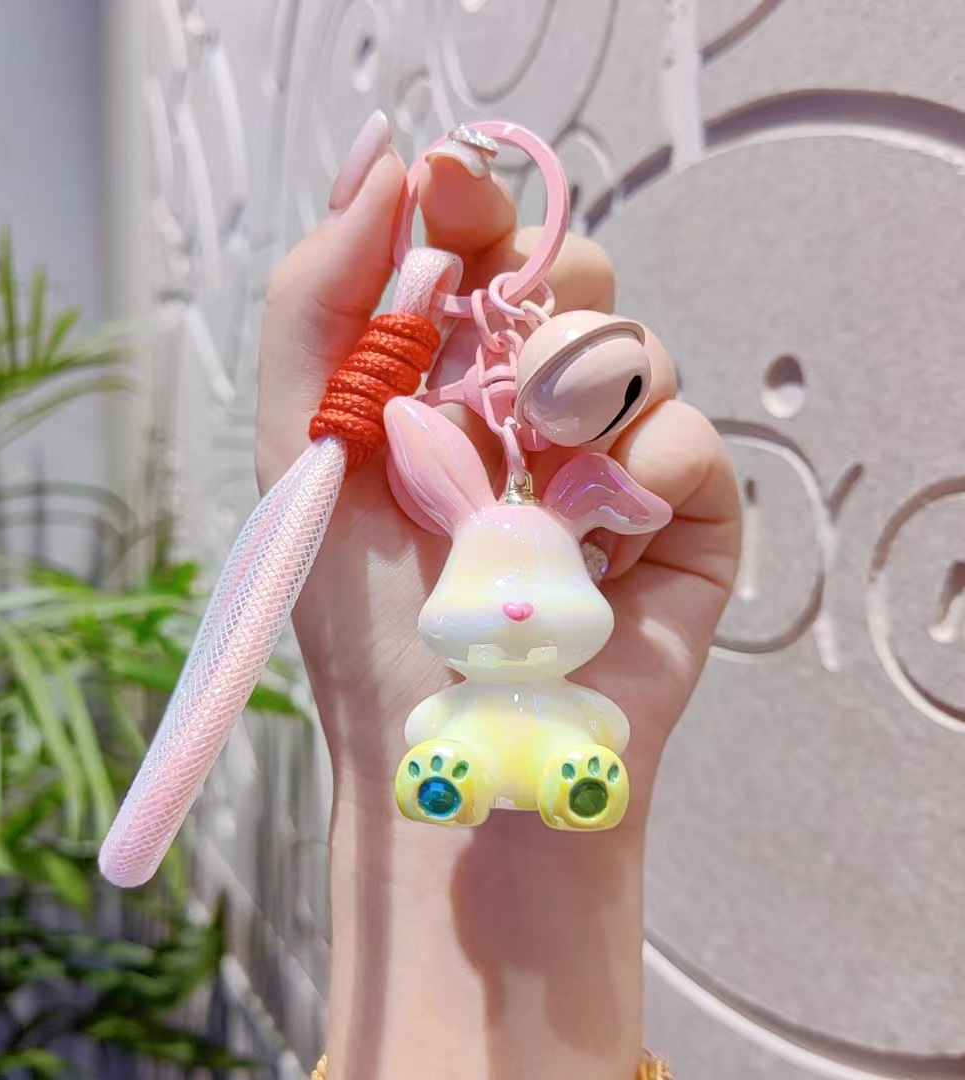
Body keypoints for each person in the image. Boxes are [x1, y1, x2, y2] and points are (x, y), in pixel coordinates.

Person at [256, 111, 742, 1080]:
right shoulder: (457, 649)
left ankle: (571, 788)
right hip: (475, 742)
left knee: (569, 756)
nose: (517, 606)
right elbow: (429, 713)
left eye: (539, 587)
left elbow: (598, 717)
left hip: (552, 743)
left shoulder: (558, 646)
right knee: (456, 753)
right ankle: (456, 784)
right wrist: (395, 762)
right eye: (494, 588)